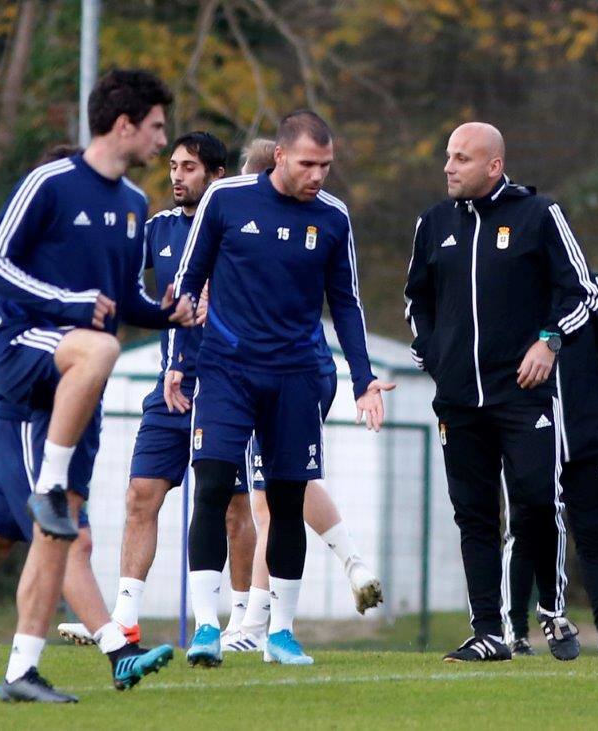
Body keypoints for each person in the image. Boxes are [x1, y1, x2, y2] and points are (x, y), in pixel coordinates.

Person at [0, 69, 193, 703]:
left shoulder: (135, 207)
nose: (164, 143)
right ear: (125, 124)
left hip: (76, 384)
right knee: (57, 521)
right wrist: (71, 302)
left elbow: (123, 300)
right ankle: (100, 645)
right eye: (158, 127)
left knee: (9, 535)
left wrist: (170, 313)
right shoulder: (50, 183)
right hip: (26, 355)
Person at [170, 110, 393, 666]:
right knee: (214, 486)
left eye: (326, 165)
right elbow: (188, 282)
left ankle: (281, 634)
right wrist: (180, 358)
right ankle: (205, 628)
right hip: (227, 371)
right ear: (280, 157)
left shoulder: (334, 219)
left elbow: (346, 303)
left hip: (295, 376)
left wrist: (364, 381)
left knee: (288, 500)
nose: (318, 175)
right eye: (308, 164)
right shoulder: (226, 201)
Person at [404, 122, 598, 662]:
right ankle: (489, 631)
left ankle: (553, 609)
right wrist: (431, 351)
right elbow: (415, 299)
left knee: (537, 501)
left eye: (462, 159)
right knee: (474, 514)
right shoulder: (433, 223)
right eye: (448, 156)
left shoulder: (539, 216)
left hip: (522, 394)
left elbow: (580, 291)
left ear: (493, 165)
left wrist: (549, 340)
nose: (449, 167)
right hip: (459, 399)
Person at [53, 132, 258, 647]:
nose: (176, 177)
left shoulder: (240, 229)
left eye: (189, 168)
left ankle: (243, 623)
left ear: (217, 176)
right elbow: (117, 275)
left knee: (232, 507)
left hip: (229, 387)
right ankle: (125, 618)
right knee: (141, 496)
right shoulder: (158, 228)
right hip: (171, 389)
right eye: (172, 166)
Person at [220, 140, 382, 654]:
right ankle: (351, 560)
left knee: (269, 503)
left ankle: (253, 625)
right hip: (313, 370)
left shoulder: (307, 220)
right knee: (293, 484)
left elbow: (344, 299)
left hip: (280, 373)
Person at [504, 270, 598, 660]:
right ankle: (514, 632)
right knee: (524, 530)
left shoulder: (593, 287)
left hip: (586, 442)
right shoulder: (514, 282)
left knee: (593, 535)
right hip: (530, 438)